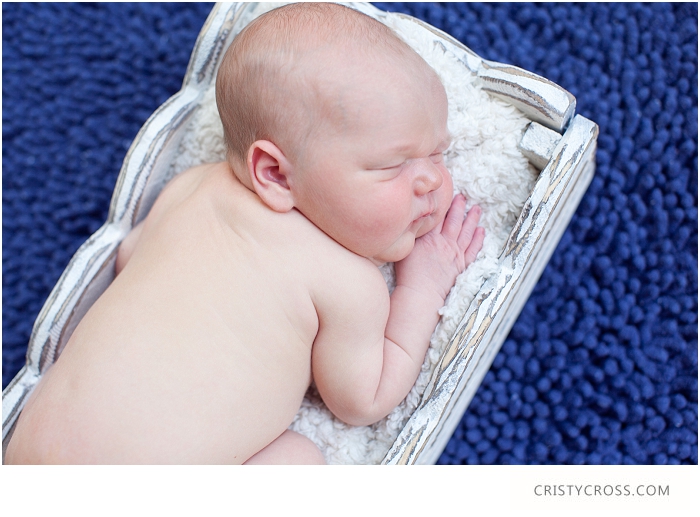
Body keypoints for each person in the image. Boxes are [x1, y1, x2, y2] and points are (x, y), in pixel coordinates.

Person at [5, 3, 484, 464]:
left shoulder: (188, 189)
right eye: (392, 165)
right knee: (300, 458)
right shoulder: (347, 282)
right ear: (275, 174)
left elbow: (129, 258)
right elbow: (364, 401)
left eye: (438, 153)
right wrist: (422, 287)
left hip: (26, 454)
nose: (431, 181)